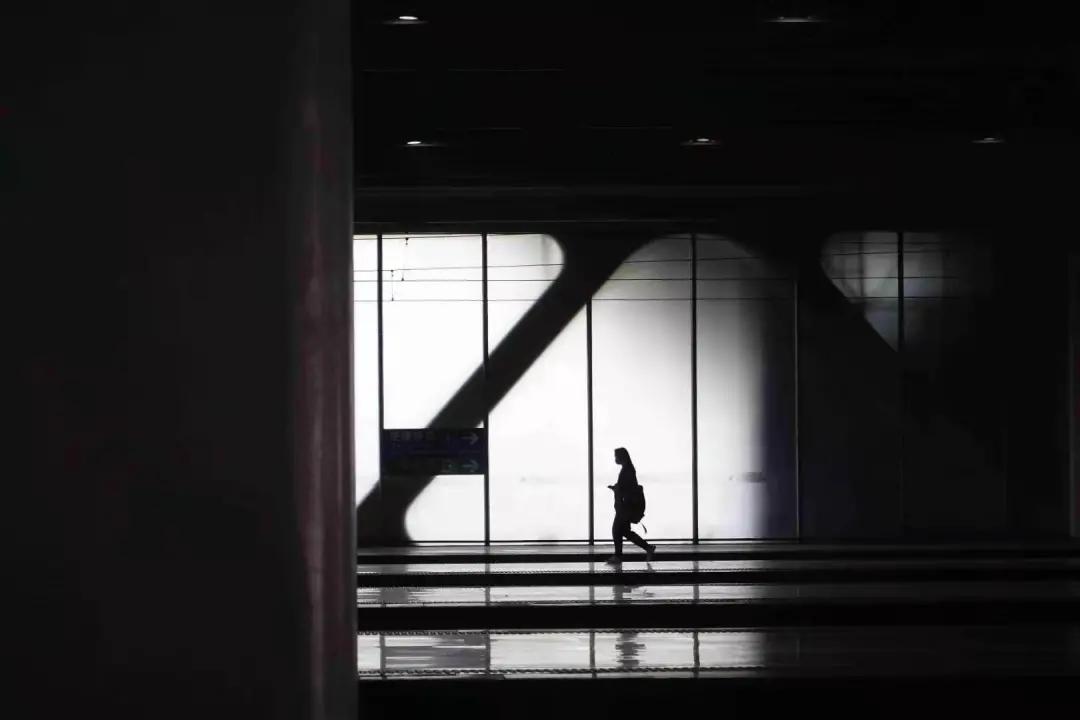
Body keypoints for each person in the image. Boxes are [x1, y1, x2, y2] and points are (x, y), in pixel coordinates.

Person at [606, 447, 656, 564]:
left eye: (616, 456)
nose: (615, 459)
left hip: (626, 507)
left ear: (621, 457)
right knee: (624, 531)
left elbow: (627, 489)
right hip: (627, 506)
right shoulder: (628, 469)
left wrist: (617, 489)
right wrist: (617, 488)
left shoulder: (627, 470)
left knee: (616, 529)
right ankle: (648, 548)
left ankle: (618, 556)